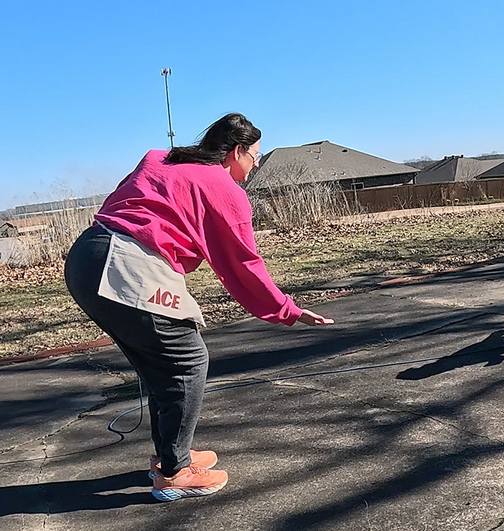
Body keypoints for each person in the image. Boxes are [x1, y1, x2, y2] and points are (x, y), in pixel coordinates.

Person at [64, 113, 334, 502]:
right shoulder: (225, 190)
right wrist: (287, 309)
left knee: (161, 368)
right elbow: (243, 266)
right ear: (237, 152)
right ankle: (174, 474)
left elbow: (124, 202)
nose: (255, 166)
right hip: (127, 265)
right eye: (255, 157)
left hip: (86, 256)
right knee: (187, 361)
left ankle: (171, 456)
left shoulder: (158, 157)